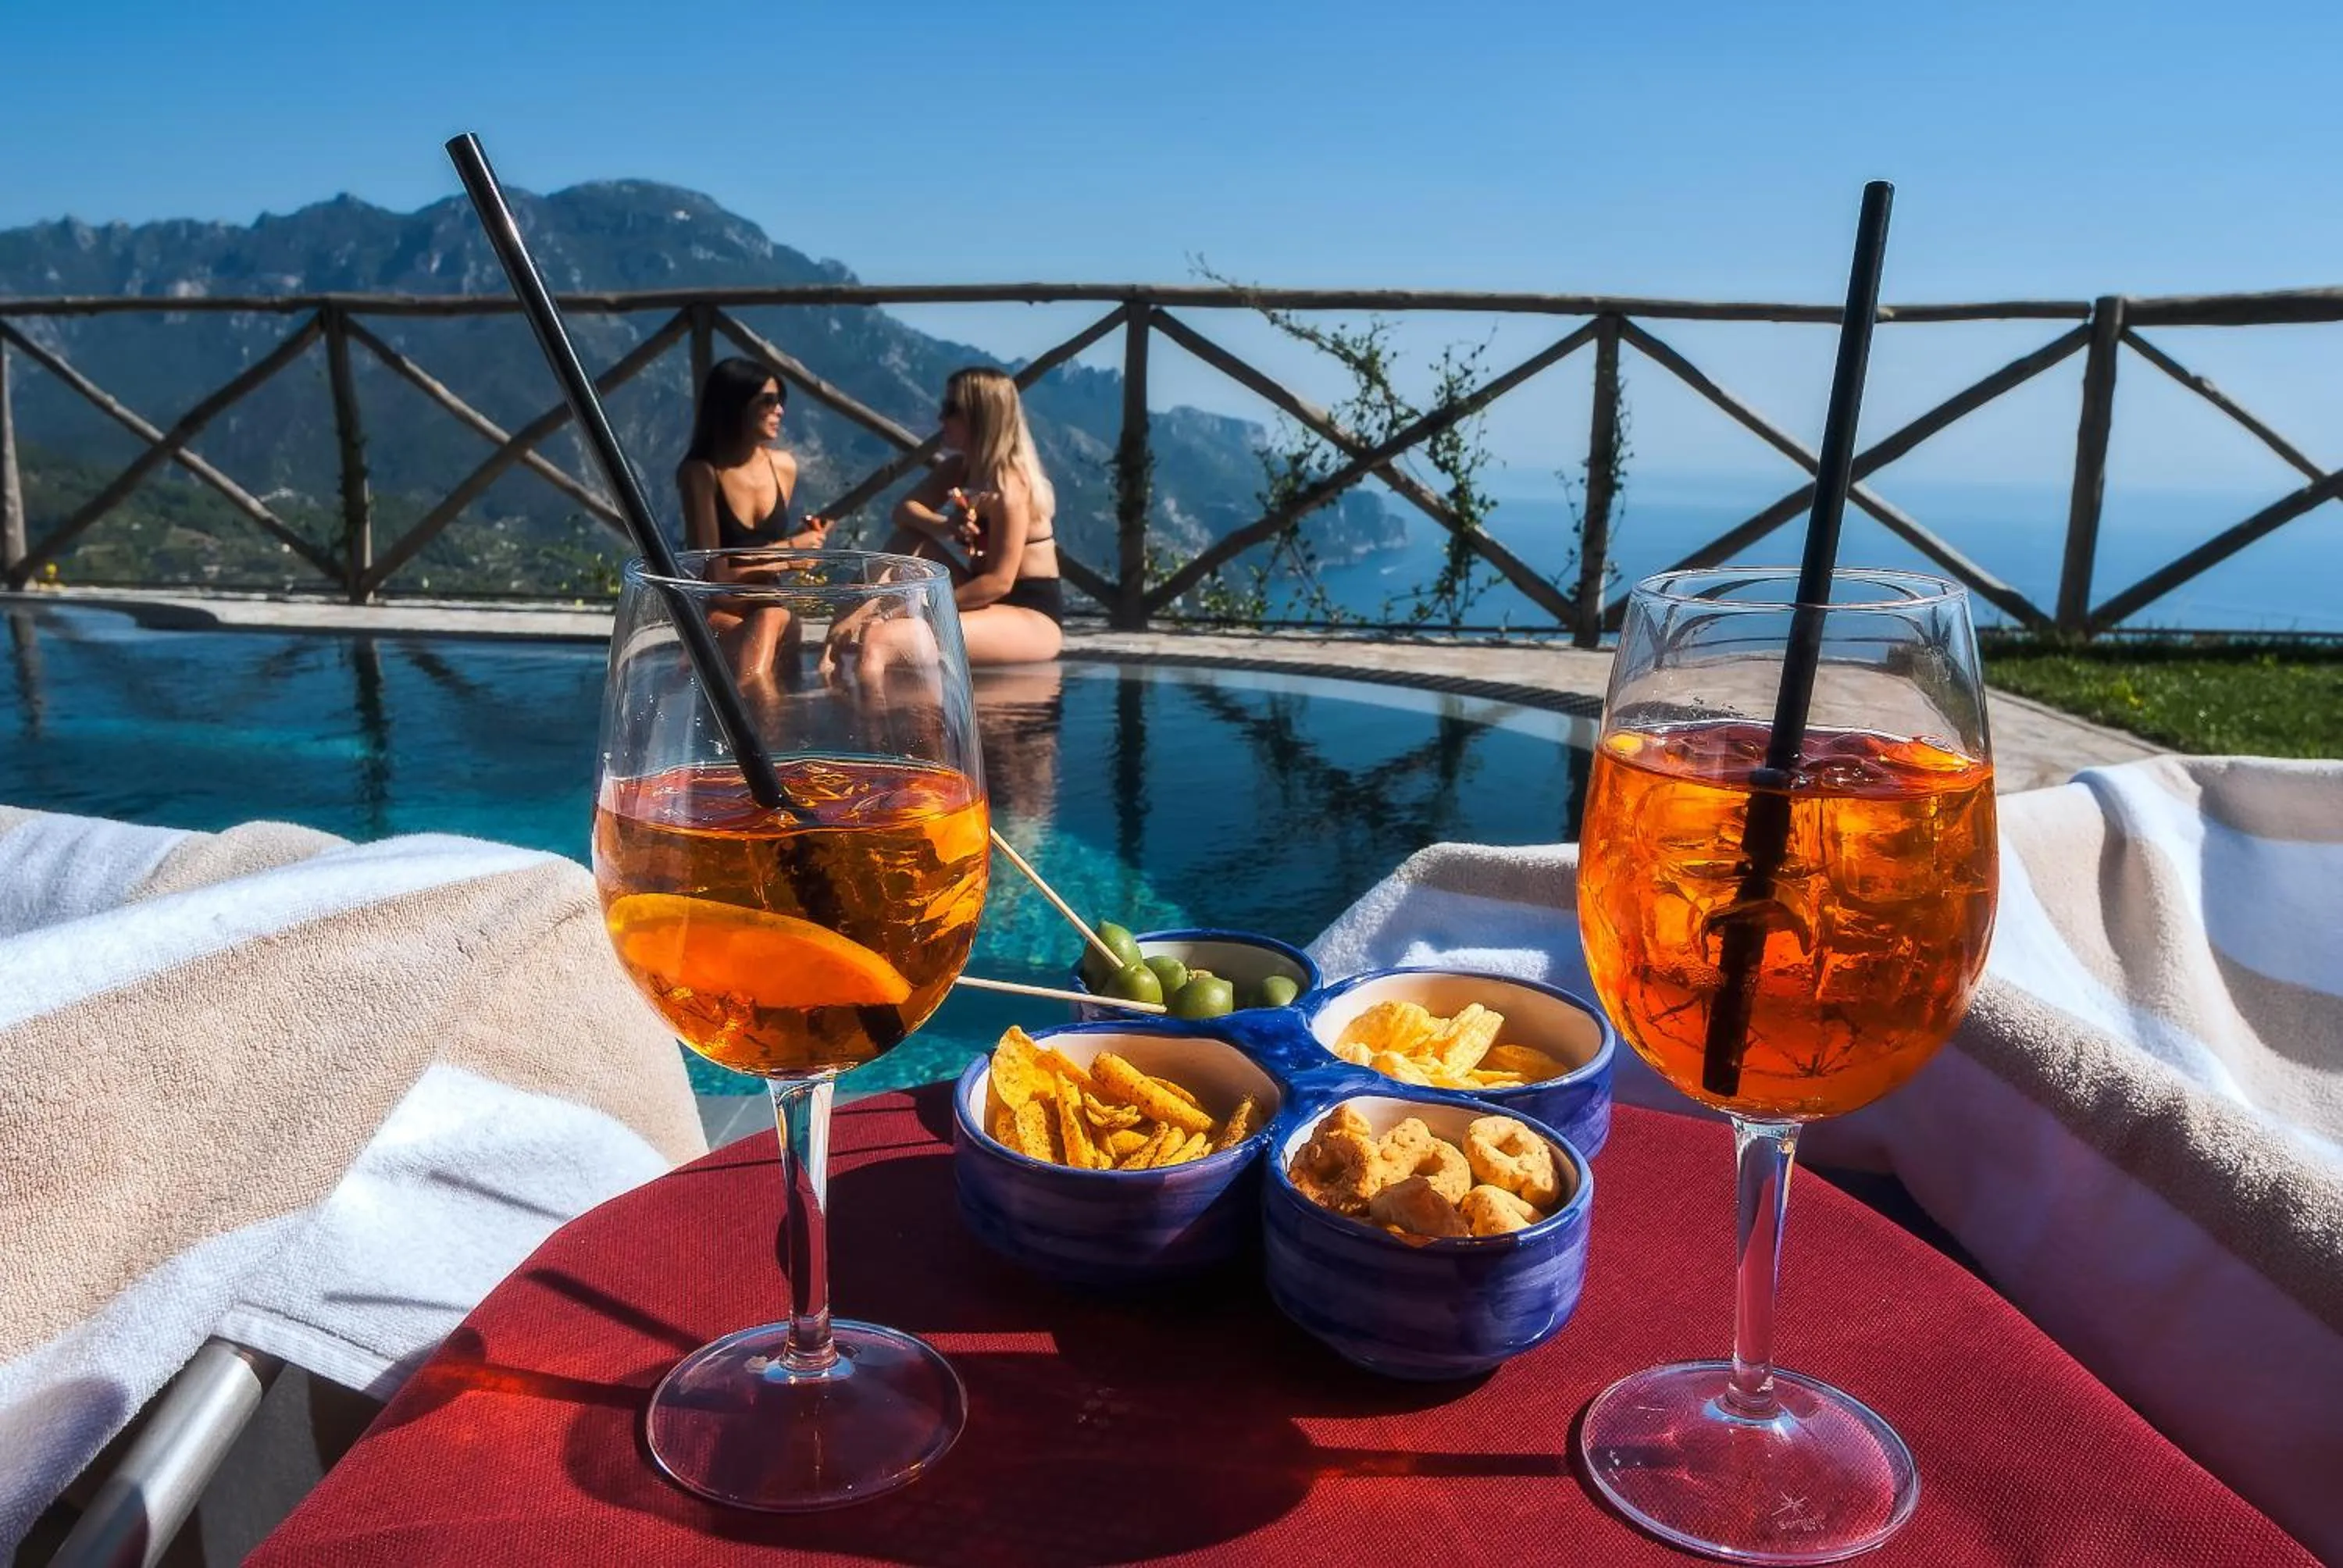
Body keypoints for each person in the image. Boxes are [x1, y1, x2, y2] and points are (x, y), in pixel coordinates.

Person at [876, 366, 1064, 666]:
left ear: (981, 418)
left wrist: (925, 610)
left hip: (1030, 614)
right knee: (905, 542)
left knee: (890, 637)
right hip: (982, 595)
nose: (941, 419)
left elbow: (999, 582)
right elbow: (903, 512)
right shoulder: (957, 470)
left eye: (951, 409)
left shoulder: (1010, 487)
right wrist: (944, 525)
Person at [676, 357, 830, 686]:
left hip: (770, 605)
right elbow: (716, 577)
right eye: (768, 401)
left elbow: (766, 552)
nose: (780, 411)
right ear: (735, 405)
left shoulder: (783, 467)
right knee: (766, 642)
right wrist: (790, 551)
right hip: (725, 611)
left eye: (781, 401)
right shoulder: (701, 474)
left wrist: (799, 551)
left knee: (774, 621)